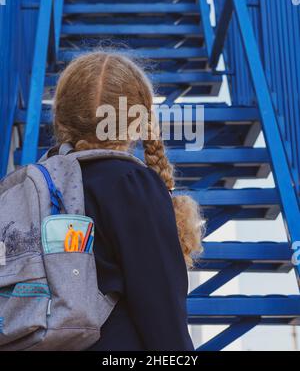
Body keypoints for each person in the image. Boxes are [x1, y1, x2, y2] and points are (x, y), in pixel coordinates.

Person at [51, 50, 204, 351]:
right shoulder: (131, 185)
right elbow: (162, 315)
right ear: (137, 125)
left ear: (62, 118)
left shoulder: (36, 184)